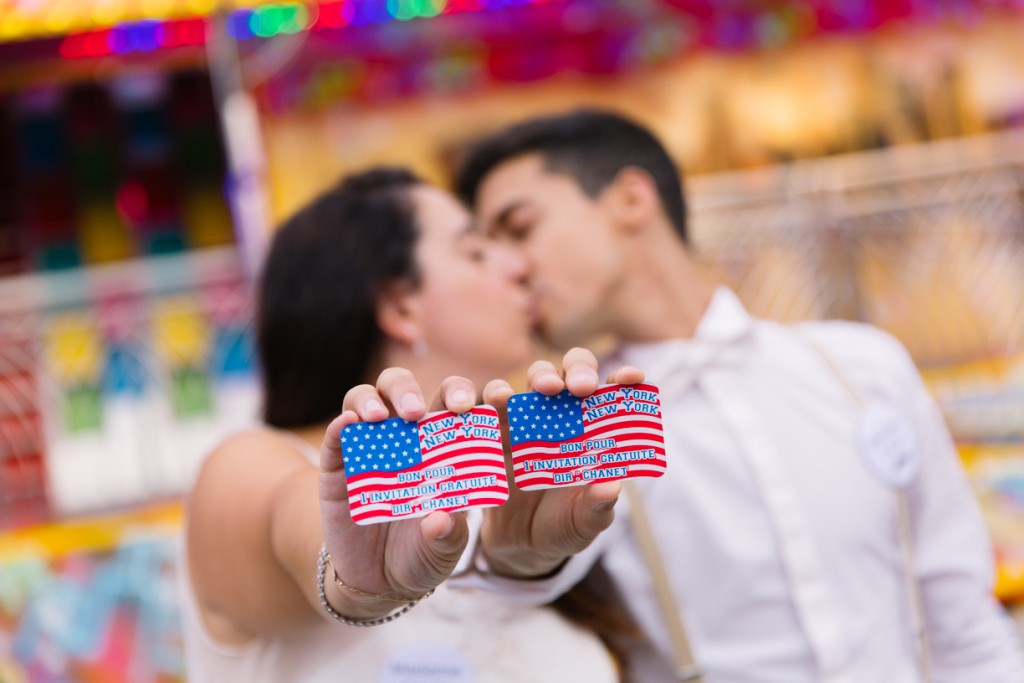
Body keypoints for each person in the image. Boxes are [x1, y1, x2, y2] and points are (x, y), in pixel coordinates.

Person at [453, 109, 1024, 682]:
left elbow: (965, 626)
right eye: (487, 249)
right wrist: (516, 550)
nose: (509, 267)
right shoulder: (580, 419)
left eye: (519, 228)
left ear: (631, 199)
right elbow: (523, 563)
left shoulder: (862, 367)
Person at [181, 167, 642, 682]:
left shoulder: (525, 493)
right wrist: (357, 583)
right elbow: (301, 525)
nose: (519, 264)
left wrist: (518, 564)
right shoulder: (247, 467)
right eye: (475, 250)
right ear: (401, 306)